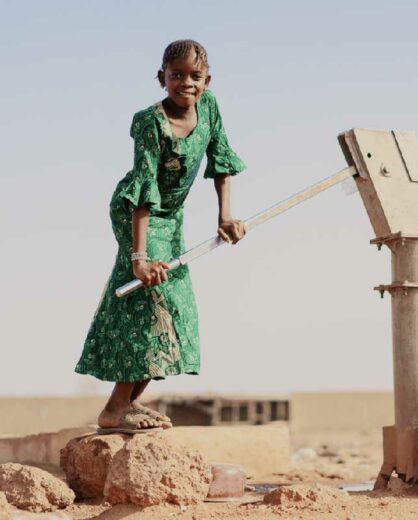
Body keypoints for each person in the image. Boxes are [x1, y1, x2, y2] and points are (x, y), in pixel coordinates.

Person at [75, 39, 247, 433]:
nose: (186, 83)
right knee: (151, 299)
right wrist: (138, 257)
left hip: (172, 219)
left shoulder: (210, 108)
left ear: (207, 80)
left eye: (195, 76)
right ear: (162, 79)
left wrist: (226, 217)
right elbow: (144, 185)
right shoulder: (149, 121)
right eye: (176, 76)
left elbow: (221, 159)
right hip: (137, 214)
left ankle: (127, 405)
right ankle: (116, 408)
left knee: (176, 305)